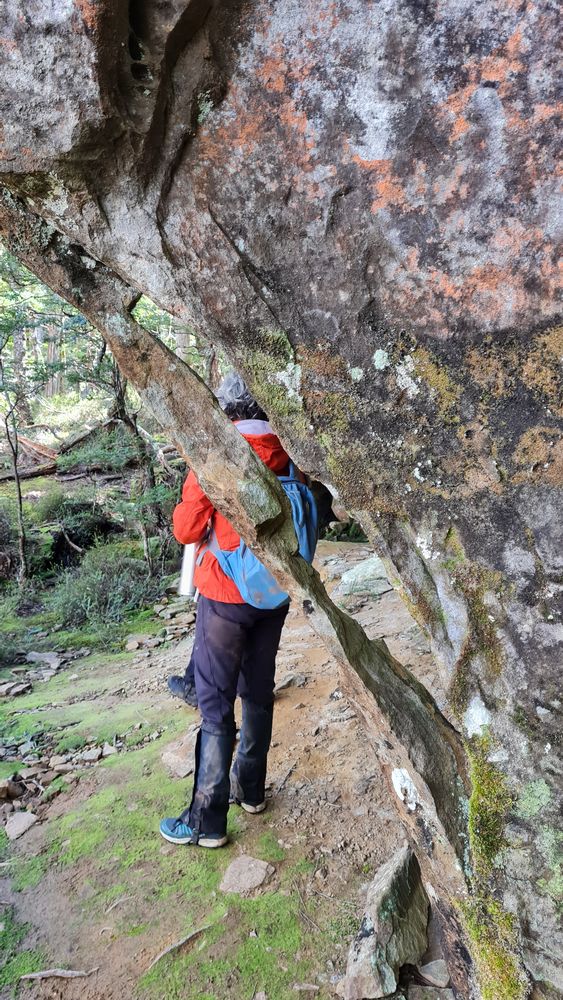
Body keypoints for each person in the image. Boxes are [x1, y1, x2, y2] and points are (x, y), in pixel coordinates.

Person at [160, 374, 297, 848]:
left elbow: (185, 528)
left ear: (227, 409)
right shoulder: (290, 453)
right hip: (273, 592)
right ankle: (252, 790)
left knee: (216, 702)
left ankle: (207, 820)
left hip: (223, 596)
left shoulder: (216, 454)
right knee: (258, 689)